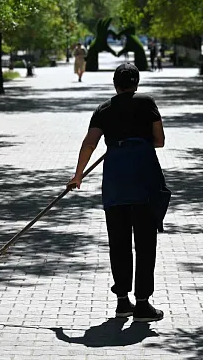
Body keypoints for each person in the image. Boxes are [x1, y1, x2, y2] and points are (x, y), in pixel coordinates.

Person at [68, 63, 167, 322]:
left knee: (119, 242)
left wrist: (78, 176)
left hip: (115, 181)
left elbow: (90, 143)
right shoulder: (147, 103)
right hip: (144, 180)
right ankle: (143, 304)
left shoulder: (104, 109)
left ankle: (123, 302)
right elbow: (160, 140)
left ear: (115, 84)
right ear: (136, 83)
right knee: (145, 243)